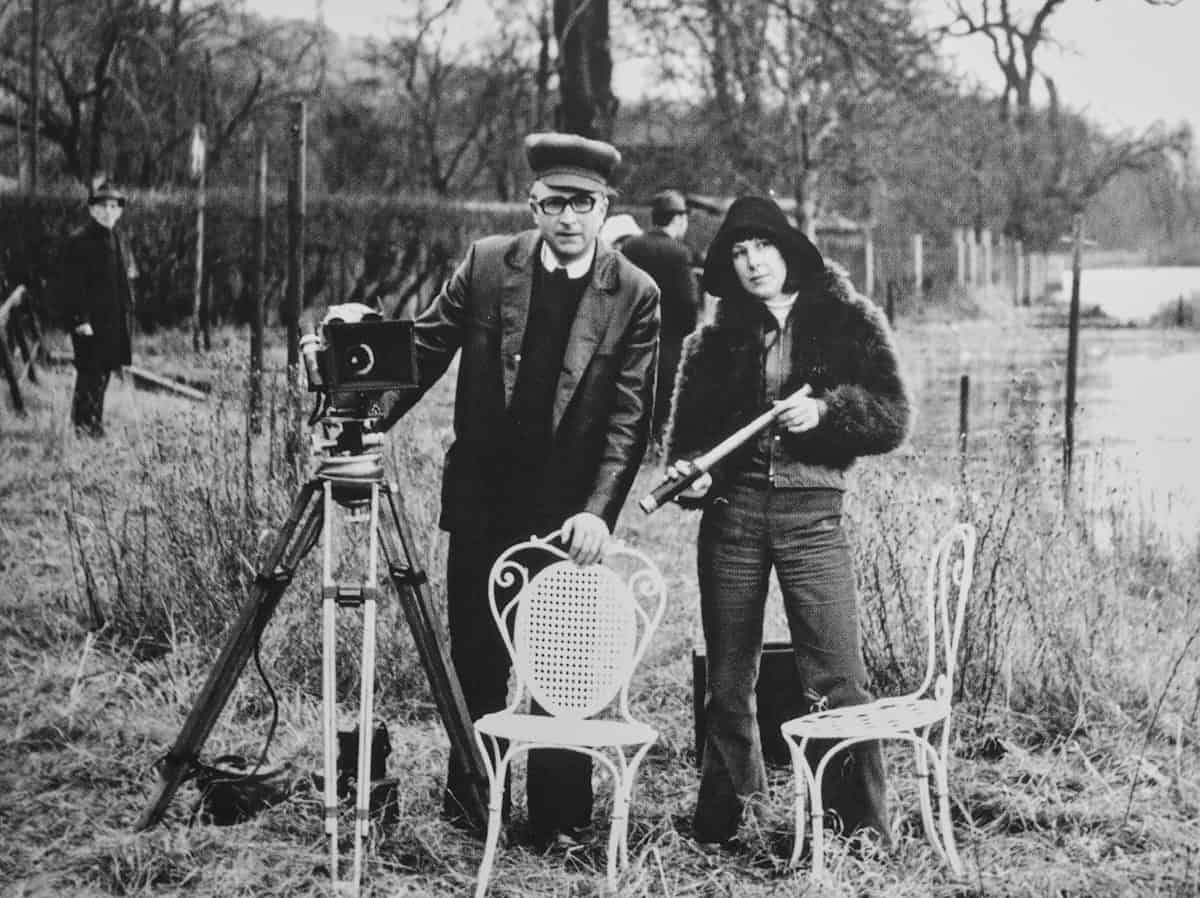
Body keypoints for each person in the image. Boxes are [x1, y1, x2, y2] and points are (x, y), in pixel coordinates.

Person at [376, 132, 661, 847]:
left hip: (567, 510)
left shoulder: (634, 294)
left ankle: (559, 819)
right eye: (553, 202)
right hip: (483, 493)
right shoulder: (486, 264)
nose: (568, 218)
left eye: (583, 203)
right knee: (476, 653)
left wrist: (599, 514)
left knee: (560, 660)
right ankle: (474, 806)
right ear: (531, 205)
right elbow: (425, 348)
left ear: (605, 209)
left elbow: (630, 420)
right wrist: (368, 420)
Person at [662, 195, 910, 849]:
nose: (751, 263)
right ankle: (729, 821)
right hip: (732, 522)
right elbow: (686, 444)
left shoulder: (849, 321)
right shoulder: (712, 343)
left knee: (838, 680)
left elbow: (892, 416)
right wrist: (696, 474)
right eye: (738, 253)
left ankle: (857, 827)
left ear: (788, 250)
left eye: (762, 247)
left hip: (813, 521)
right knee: (727, 681)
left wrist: (830, 414)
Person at [619, 189, 700, 446]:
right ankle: (656, 442)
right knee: (666, 392)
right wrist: (688, 330)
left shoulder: (631, 246)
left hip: (632, 334)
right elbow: (689, 301)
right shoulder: (678, 252)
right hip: (670, 336)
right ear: (678, 220)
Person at [59, 178, 137, 437]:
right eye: (103, 207)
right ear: (92, 210)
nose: (109, 212)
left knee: (104, 372)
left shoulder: (118, 237)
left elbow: (126, 276)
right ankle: (83, 426)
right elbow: (71, 285)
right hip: (90, 322)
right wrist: (80, 319)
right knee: (89, 373)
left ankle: (95, 423)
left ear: (120, 211)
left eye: (114, 207)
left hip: (113, 320)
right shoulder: (80, 240)